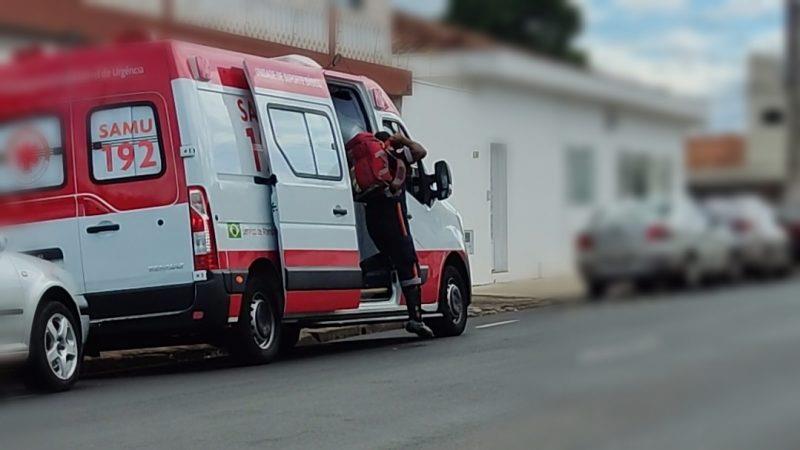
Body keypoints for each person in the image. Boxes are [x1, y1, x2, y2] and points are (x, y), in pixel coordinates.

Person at [363, 131, 433, 338]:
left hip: (373, 218)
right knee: (409, 263)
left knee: (389, 256)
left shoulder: (365, 161)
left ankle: (362, 271)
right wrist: (402, 140)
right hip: (395, 215)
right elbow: (421, 151)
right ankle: (416, 318)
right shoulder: (395, 155)